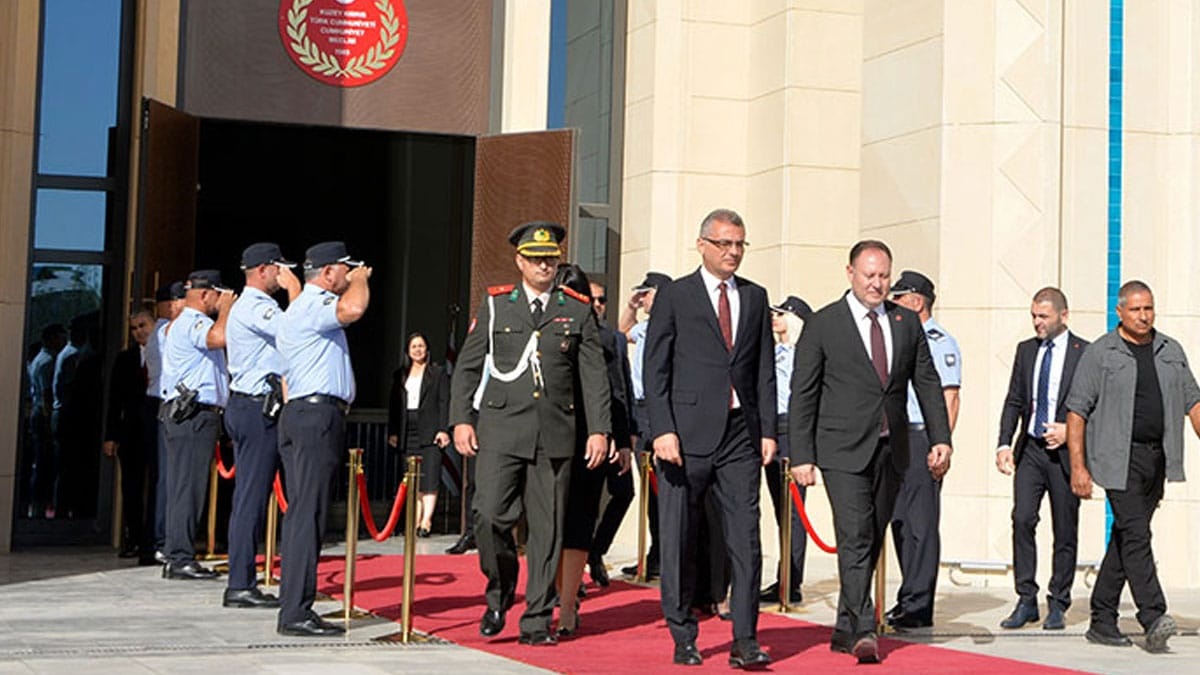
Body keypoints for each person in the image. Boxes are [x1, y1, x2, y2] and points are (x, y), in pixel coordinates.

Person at [789, 240, 952, 664]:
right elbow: (803, 393)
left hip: (891, 448)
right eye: (869, 275)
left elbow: (927, 380)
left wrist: (941, 437)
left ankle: (844, 628)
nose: (877, 284)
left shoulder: (905, 322)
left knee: (872, 535)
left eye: (884, 276)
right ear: (850, 274)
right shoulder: (824, 324)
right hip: (840, 450)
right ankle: (864, 628)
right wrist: (802, 454)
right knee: (856, 534)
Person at [449, 222, 611, 646]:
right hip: (501, 429)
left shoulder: (576, 308)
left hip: (555, 434)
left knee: (547, 530)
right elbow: (468, 366)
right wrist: (461, 419)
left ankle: (537, 619)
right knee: (488, 515)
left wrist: (600, 430)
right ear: (519, 261)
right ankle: (500, 590)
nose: (544, 266)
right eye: (536, 258)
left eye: (550, 259)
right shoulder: (496, 305)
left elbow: (594, 376)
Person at [644, 208, 776, 669]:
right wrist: (662, 429)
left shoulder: (755, 297)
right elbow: (655, 367)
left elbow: (763, 369)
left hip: (740, 435)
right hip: (685, 436)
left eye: (739, 244)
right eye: (724, 244)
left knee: (746, 538)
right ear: (702, 245)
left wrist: (768, 431)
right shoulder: (676, 295)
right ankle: (683, 633)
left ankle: (745, 638)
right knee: (680, 537)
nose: (732, 252)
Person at [1066, 280, 1200, 653]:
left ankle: (1102, 618)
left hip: (1157, 458)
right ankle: (1154, 615)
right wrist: (1078, 467)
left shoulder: (1171, 350)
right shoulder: (1101, 353)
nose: (1144, 316)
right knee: (1137, 535)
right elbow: (1076, 412)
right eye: (1136, 309)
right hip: (1117, 458)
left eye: (1149, 308)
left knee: (1126, 536)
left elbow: (1193, 401)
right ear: (1120, 311)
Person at [275, 241, 372, 637]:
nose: (350, 274)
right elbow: (354, 308)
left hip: (301, 413)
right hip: (315, 415)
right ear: (329, 272)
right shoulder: (315, 304)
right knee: (308, 514)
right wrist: (361, 280)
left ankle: (295, 605)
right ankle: (296, 611)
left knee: (303, 511)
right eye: (345, 269)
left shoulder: (298, 308)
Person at [995, 287, 1087, 631]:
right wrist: (1003, 443)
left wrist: (1070, 431)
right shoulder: (1027, 350)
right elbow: (1014, 399)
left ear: (1064, 315)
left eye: (1043, 316)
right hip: (1031, 450)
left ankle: (1058, 601)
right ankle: (1026, 599)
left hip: (1065, 454)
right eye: (1034, 315)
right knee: (1022, 518)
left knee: (1064, 528)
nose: (1037, 322)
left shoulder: (1085, 353)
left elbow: (1097, 406)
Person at [551, 264, 633, 638]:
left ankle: (568, 604)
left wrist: (623, 439)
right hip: (548, 437)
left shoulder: (607, 339)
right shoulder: (538, 330)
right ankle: (553, 593)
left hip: (591, 439)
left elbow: (618, 392)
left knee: (579, 521)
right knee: (550, 521)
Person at [222, 243, 301, 609]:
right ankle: (240, 584)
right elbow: (295, 330)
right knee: (250, 499)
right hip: (256, 408)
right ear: (264, 269)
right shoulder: (257, 306)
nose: (281, 276)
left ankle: (242, 580)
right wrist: (295, 289)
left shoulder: (251, 306)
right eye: (279, 269)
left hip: (249, 405)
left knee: (248, 497)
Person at [885, 270, 961, 630]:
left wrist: (940, 443)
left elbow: (949, 397)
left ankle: (919, 604)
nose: (894, 305)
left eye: (899, 299)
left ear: (916, 302)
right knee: (899, 520)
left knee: (922, 524)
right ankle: (909, 594)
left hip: (922, 437)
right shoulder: (903, 338)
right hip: (897, 437)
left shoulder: (938, 342)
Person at [160, 270, 235, 580]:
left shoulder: (184, 323)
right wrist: (227, 310)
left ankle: (177, 552)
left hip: (189, 415)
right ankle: (180, 556)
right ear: (205, 294)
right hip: (193, 414)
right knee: (188, 488)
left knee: (184, 487)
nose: (221, 300)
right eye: (218, 295)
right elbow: (218, 338)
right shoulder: (195, 322)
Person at [617, 270, 671, 579]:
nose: (643, 298)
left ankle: (665, 555)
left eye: (646, 294)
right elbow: (623, 331)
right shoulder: (646, 327)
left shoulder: (671, 326)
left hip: (657, 408)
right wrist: (631, 305)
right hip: (639, 410)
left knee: (662, 488)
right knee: (650, 490)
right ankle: (655, 553)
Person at [759, 295, 811, 606]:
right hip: (773, 429)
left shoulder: (802, 355)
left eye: (780, 315)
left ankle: (791, 581)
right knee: (781, 511)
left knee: (793, 512)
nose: (774, 319)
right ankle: (783, 578)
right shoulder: (775, 352)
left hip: (792, 429)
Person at [586, 278, 637, 588]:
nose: (597, 305)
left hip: (616, 433)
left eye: (602, 300)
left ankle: (596, 551)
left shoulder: (615, 339)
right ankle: (572, 570)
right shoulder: (576, 334)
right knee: (585, 504)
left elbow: (623, 386)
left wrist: (628, 433)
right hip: (586, 433)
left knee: (624, 493)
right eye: (591, 299)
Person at [102, 308, 158, 558]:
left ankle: (153, 539)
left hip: (158, 428)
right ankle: (133, 537)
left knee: (158, 484)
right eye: (134, 328)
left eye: (143, 325)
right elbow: (115, 399)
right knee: (132, 486)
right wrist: (111, 435)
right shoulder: (125, 359)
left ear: (154, 325)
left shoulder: (167, 353)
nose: (139, 332)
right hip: (131, 431)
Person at [387, 332, 452, 537]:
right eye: (414, 346)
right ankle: (415, 519)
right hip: (407, 429)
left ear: (427, 349)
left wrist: (444, 429)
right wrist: (393, 431)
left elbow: (444, 402)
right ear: (408, 351)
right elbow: (394, 405)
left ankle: (426, 521)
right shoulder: (400, 375)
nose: (418, 350)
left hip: (430, 430)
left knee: (429, 476)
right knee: (412, 477)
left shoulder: (438, 373)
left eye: (421, 346)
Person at [147, 281, 186, 564]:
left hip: (162, 403)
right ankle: (163, 538)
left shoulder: (165, 331)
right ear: (170, 304)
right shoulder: (165, 332)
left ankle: (164, 537)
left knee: (168, 476)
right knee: (167, 476)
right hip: (163, 403)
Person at [26, 324, 66, 520]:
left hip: (38, 412)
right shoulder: (47, 361)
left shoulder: (39, 359)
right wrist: (50, 422)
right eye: (60, 337)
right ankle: (39, 505)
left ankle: (37, 505)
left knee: (40, 462)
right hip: (42, 415)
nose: (62, 342)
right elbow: (46, 394)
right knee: (43, 462)